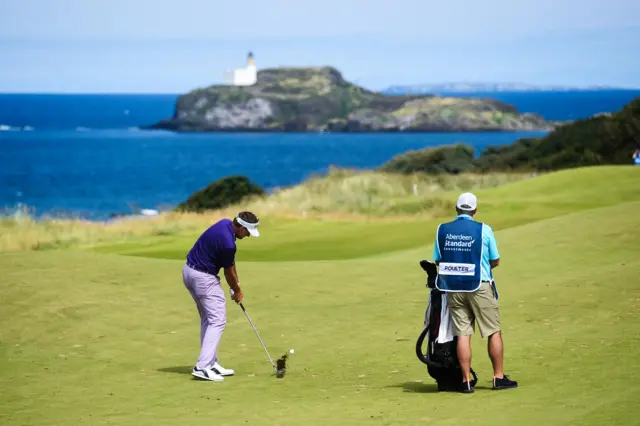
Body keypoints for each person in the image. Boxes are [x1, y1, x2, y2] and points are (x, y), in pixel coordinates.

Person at [432, 192, 517, 393]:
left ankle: (466, 381)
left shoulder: (442, 229)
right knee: (493, 330)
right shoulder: (484, 230)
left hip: (452, 288)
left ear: (457, 209)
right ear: (475, 210)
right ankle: (498, 377)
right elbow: (495, 260)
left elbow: (438, 260)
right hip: (479, 285)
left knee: (462, 334)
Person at [182, 211, 260, 381]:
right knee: (217, 320)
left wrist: (236, 286)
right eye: (247, 232)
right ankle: (202, 367)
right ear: (240, 227)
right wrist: (237, 291)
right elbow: (228, 272)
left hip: (189, 272)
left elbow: (230, 265)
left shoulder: (225, 224)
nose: (247, 236)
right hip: (203, 278)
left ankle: (210, 363)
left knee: (208, 320)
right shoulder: (228, 244)